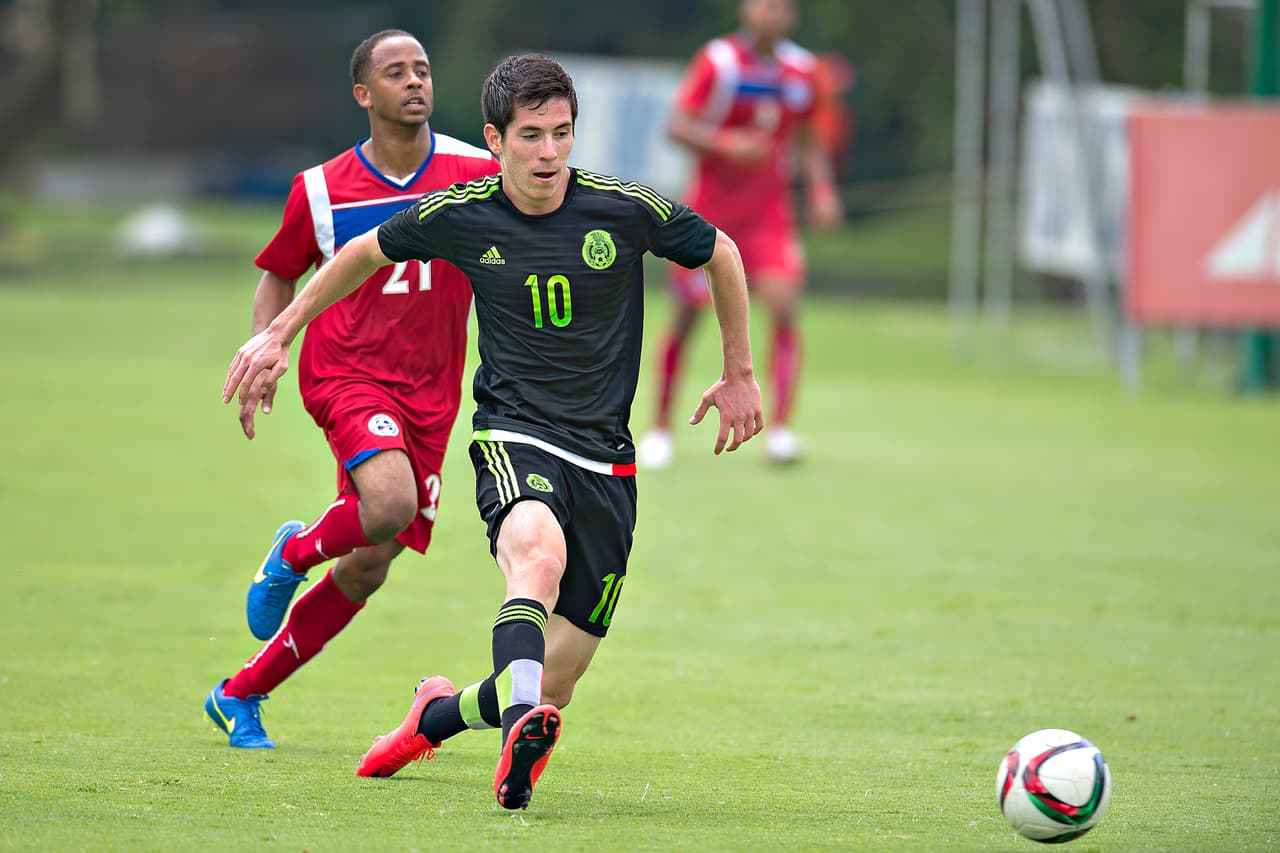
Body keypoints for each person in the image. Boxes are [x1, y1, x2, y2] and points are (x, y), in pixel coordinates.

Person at [222, 54, 763, 809]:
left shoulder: (622, 208)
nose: (549, 152)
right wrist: (278, 334)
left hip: (607, 462)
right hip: (515, 437)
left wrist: (739, 370)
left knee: (559, 676)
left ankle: (437, 715)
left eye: (562, 134)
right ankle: (517, 737)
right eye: (532, 135)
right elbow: (358, 253)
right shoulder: (465, 212)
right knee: (535, 559)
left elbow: (723, 253)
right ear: (495, 138)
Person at [204, 29, 499, 750]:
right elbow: (279, 270)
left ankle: (239, 694)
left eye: (423, 70)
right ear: (365, 94)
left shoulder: (476, 170)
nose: (415, 82)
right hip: (346, 371)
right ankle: (293, 554)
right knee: (390, 503)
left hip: (432, 391)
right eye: (396, 73)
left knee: (369, 563)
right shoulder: (322, 187)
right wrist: (265, 345)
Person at [636, 0, 844, 468]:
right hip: (711, 215)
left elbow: (809, 136)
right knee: (687, 317)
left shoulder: (803, 70)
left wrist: (822, 189)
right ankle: (660, 429)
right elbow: (678, 126)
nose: (771, 12)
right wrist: (726, 143)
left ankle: (781, 430)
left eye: (781, 6)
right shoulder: (720, 61)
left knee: (785, 306)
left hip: (770, 216)